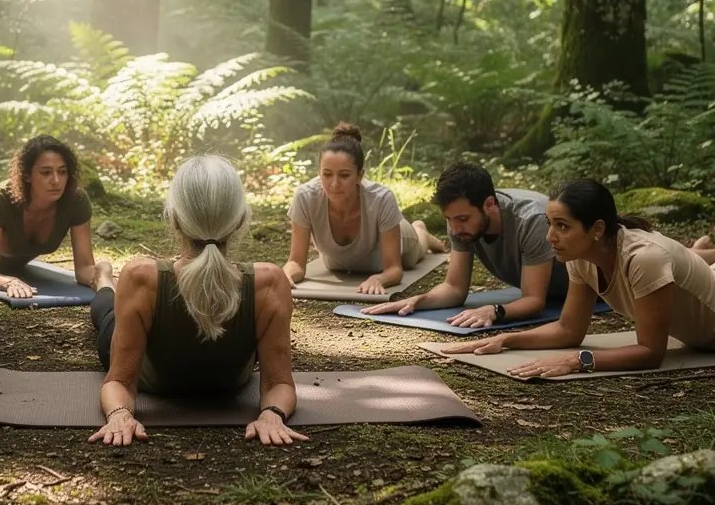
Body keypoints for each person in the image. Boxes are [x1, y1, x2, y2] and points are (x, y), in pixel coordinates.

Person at [87, 155, 307, 447]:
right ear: (240, 220)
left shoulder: (268, 283)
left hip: (148, 313)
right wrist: (119, 414)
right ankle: (104, 279)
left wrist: (272, 414)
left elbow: (279, 384)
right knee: (106, 312)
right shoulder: (142, 280)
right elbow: (119, 382)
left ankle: (106, 282)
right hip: (142, 354)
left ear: (175, 220)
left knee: (112, 307)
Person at [441, 179, 715, 377]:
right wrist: (506, 339)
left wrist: (578, 360)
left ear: (596, 229)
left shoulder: (644, 259)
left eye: (562, 226)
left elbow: (651, 353)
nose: (550, 237)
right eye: (550, 224)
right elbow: (569, 329)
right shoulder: (581, 256)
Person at [365, 162, 565, 327]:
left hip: (588, 292)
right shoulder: (459, 220)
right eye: (449, 219)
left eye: (461, 218)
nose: (453, 229)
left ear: (489, 205)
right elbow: (454, 287)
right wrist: (418, 301)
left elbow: (534, 300)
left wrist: (495, 311)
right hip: (553, 293)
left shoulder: (531, 220)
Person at [0, 135, 110, 296]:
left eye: (62, 172)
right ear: (27, 176)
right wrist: (8, 281)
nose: (56, 180)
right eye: (46, 172)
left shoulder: (75, 201)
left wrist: (102, 278)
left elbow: (85, 268)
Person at [282, 124, 445, 295]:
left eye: (344, 175)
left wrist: (379, 279)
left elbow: (394, 270)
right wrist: (285, 275)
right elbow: (296, 263)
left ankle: (421, 231)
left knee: (414, 253)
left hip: (402, 239)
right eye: (327, 174)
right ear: (319, 172)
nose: (334, 184)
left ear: (360, 175)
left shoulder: (381, 199)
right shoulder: (305, 197)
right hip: (341, 262)